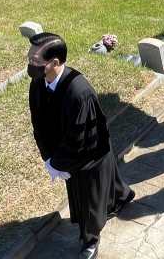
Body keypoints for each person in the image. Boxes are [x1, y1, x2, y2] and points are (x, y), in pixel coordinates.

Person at [26, 33, 134, 259]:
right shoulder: (37, 85)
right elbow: (39, 125)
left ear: (54, 63)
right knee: (108, 185)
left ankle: (91, 240)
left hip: (89, 155)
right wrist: (48, 158)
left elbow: (82, 138)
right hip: (65, 154)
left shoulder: (79, 92)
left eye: (35, 61)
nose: (30, 65)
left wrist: (58, 162)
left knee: (89, 200)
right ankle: (123, 195)